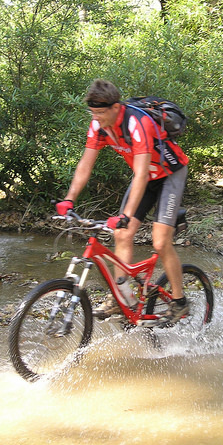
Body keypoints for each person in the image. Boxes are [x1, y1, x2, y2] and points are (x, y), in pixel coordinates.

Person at [55, 79, 190, 323]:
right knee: (122, 235)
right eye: (92, 113)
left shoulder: (137, 123)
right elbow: (86, 164)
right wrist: (69, 199)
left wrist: (125, 215)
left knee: (160, 242)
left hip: (170, 174)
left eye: (100, 113)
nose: (96, 118)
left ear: (116, 107)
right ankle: (123, 298)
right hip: (147, 177)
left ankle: (179, 301)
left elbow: (139, 174)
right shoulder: (98, 126)